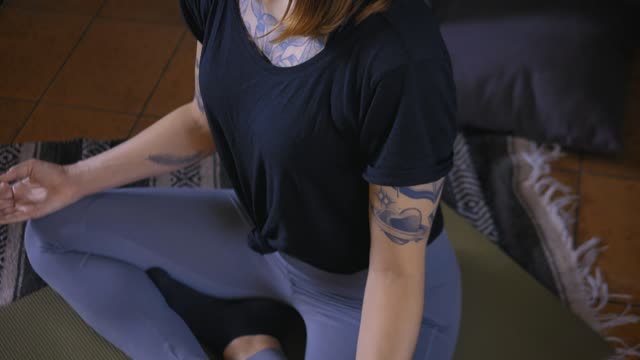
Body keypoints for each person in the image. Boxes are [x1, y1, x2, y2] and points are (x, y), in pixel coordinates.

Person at [0, 0, 462, 358]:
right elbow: (202, 121)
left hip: (363, 290)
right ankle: (244, 335)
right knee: (52, 233)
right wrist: (73, 178)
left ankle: (248, 339)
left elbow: (395, 271)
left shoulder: (403, 55)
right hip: (260, 241)